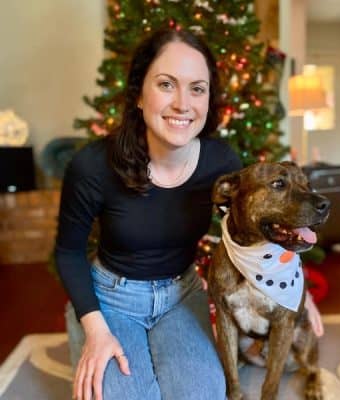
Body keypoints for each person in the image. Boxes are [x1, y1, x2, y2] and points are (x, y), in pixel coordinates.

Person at [55, 27, 323, 400]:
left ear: (208, 99)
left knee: (201, 394)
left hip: (181, 295)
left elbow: (257, 224)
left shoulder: (222, 162)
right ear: (138, 93)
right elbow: (67, 252)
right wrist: (95, 330)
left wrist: (295, 286)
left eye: (197, 88)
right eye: (166, 84)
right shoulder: (93, 165)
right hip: (111, 299)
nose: (183, 104)